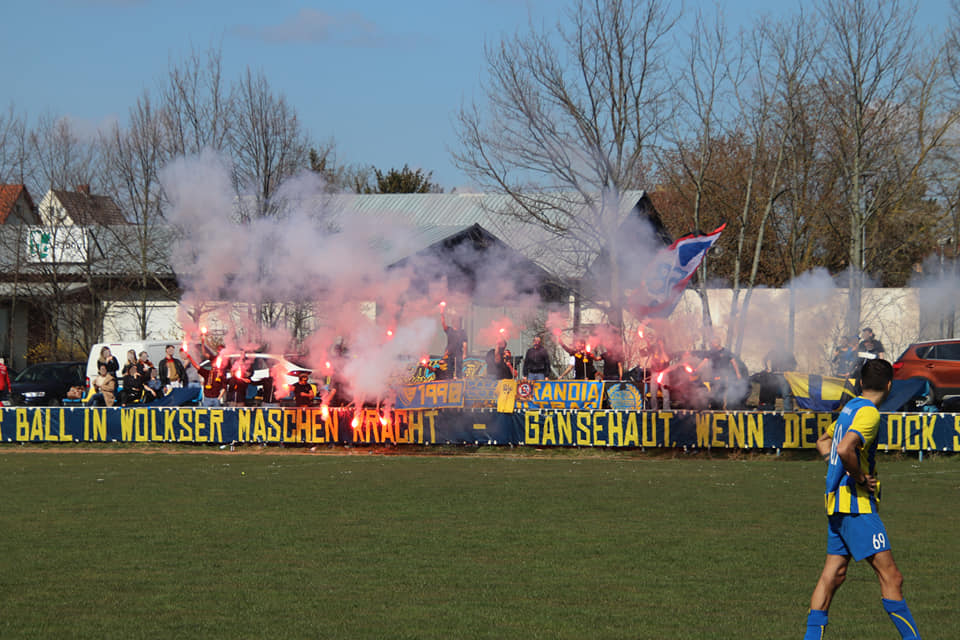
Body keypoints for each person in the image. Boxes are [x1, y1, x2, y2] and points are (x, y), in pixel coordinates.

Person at [803, 359, 921, 640]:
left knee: (834, 575)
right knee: (892, 577)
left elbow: (823, 442)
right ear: (890, 386)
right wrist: (858, 477)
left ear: (859, 383)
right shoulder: (869, 413)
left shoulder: (850, 407)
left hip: (836, 504)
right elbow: (845, 449)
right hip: (857, 507)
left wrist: (836, 468)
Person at [705, 337, 743, 409]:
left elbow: (734, 362)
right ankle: (712, 405)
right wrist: (696, 369)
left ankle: (724, 406)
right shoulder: (711, 352)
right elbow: (705, 361)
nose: (713, 344)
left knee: (723, 391)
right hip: (714, 375)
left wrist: (738, 373)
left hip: (724, 376)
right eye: (712, 342)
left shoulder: (726, 352)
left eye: (715, 342)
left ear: (719, 342)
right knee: (713, 390)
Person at [760, 344, 798, 411]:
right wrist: (767, 368)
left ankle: (787, 411)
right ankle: (771, 408)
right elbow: (765, 359)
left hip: (784, 375)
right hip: (774, 375)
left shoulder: (788, 354)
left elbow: (794, 364)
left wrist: (789, 370)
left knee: (785, 394)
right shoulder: (773, 352)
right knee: (777, 393)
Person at [440, 309, 468, 378]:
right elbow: (443, 324)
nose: (456, 323)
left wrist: (464, 353)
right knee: (449, 369)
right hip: (450, 353)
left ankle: (458, 379)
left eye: (458, 321)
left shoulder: (462, 332)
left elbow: (465, 343)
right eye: (455, 321)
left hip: (458, 353)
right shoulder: (449, 330)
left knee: (458, 369)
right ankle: (450, 380)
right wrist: (442, 314)